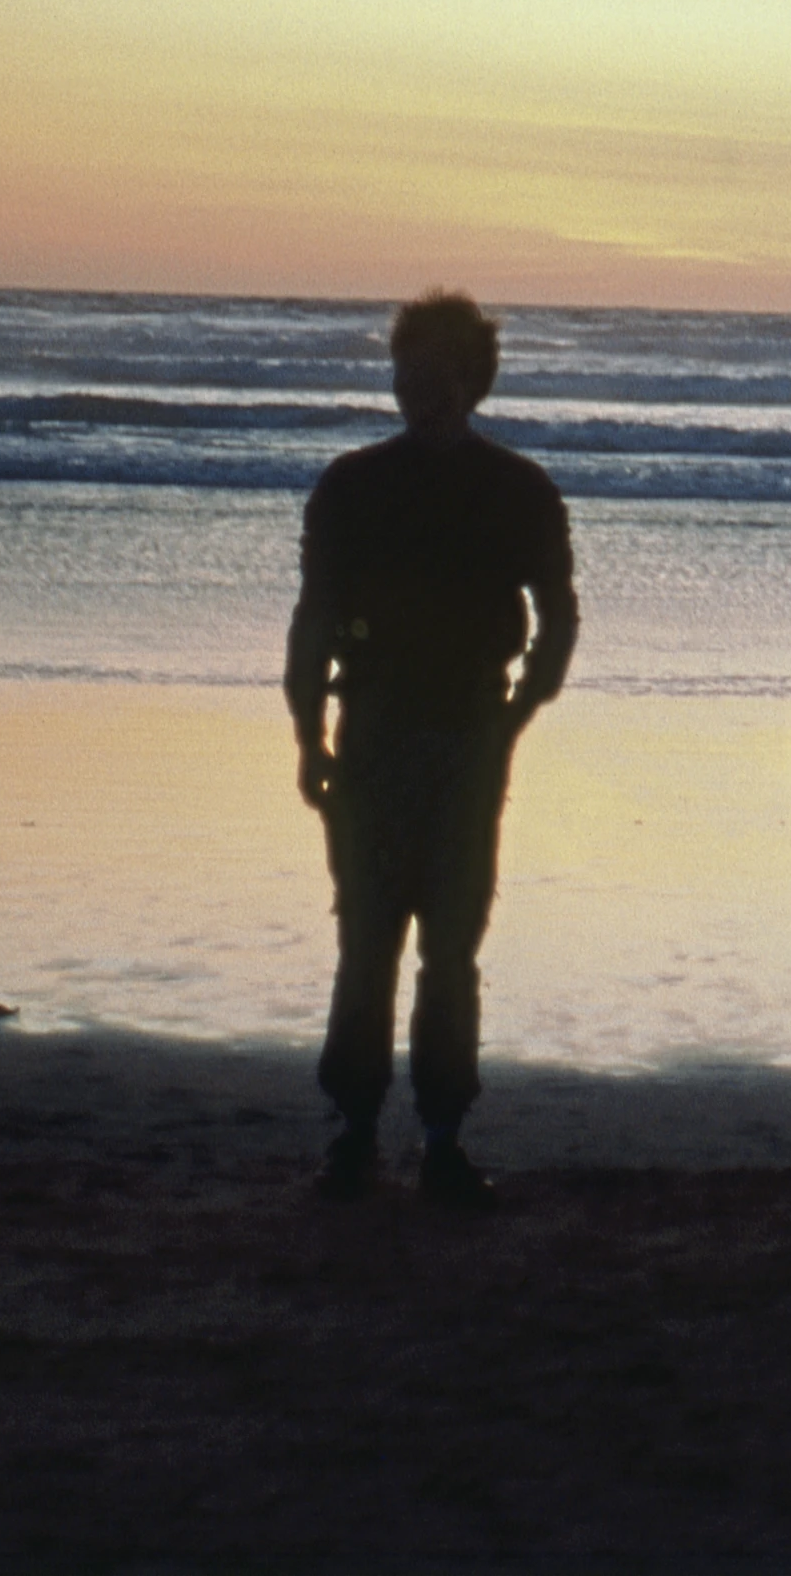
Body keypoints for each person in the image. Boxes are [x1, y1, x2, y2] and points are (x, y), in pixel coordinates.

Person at [286, 289, 578, 1210]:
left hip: (468, 734)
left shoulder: (520, 489)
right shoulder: (351, 484)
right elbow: (315, 616)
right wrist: (307, 731)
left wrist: (518, 712)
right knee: (366, 937)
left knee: (451, 944)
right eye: (409, 374)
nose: (422, 391)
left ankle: (443, 1136)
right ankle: (356, 1132)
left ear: (474, 380)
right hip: (370, 730)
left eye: (440, 375)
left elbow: (559, 615)